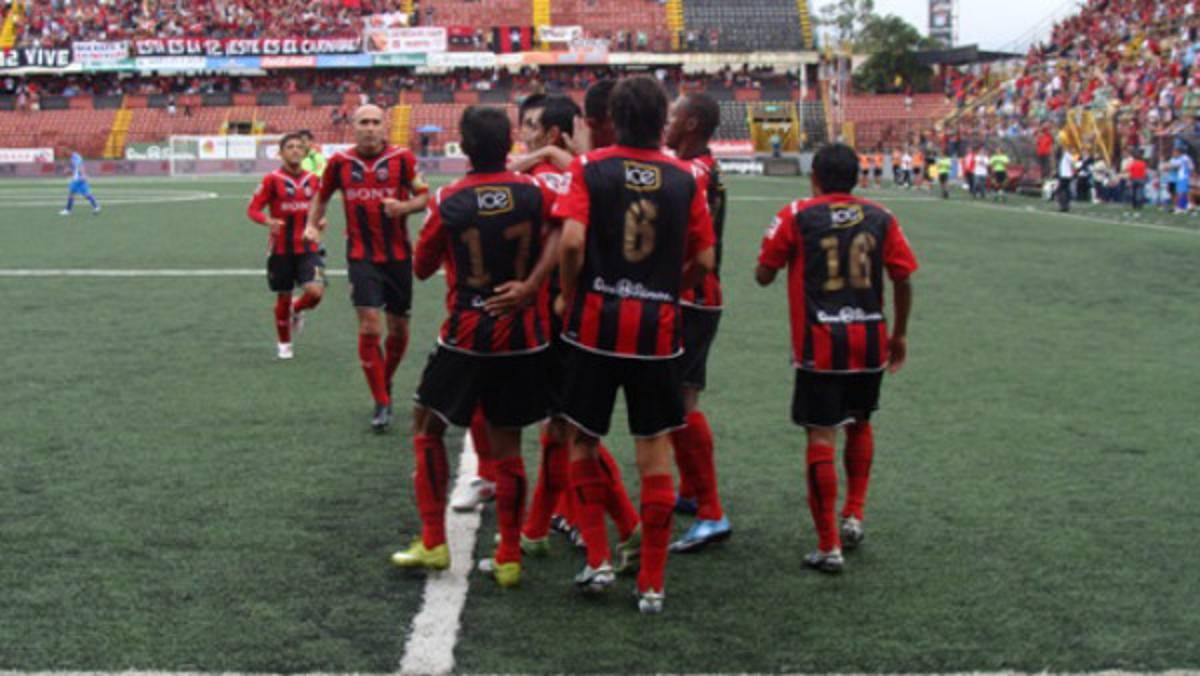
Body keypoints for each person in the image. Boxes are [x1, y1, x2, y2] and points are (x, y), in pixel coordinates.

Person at [553, 75, 715, 614]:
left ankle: (598, 558)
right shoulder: (686, 177)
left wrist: (570, 292)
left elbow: (572, 241)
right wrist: (669, 289)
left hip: (596, 326)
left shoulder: (588, 167)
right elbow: (708, 263)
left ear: (615, 118)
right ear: (659, 118)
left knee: (581, 439)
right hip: (657, 331)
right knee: (654, 451)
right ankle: (651, 582)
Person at [391, 106, 561, 587]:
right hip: (524, 337)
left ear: (463, 147)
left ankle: (433, 541)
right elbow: (562, 235)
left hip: (467, 335)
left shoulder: (449, 200)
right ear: (509, 144)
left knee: (426, 426)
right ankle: (509, 556)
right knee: (509, 445)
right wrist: (530, 285)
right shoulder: (536, 191)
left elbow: (421, 268)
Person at [755, 143, 917, 573]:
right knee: (860, 422)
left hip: (820, 343)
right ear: (857, 178)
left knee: (820, 436)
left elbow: (763, 274)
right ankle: (854, 515)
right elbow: (903, 277)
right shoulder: (882, 217)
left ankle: (829, 545)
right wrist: (898, 333)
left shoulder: (796, 214)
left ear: (814, 177)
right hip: (869, 341)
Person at [507, 90, 644, 568]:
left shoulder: (551, 179)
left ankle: (627, 526)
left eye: (529, 126)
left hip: (559, 318)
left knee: (569, 429)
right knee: (561, 428)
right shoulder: (590, 173)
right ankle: (537, 528)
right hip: (586, 313)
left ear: (552, 134)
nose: (521, 133)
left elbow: (564, 240)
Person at [305, 104, 429, 431]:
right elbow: (321, 196)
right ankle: (382, 401)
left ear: (384, 126)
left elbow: (424, 198)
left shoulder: (402, 158)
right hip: (361, 256)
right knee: (370, 327)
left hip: (399, 256)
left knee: (399, 330)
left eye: (376, 122)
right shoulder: (339, 163)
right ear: (353, 127)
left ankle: (383, 380)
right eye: (364, 122)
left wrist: (403, 206)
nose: (370, 128)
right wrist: (312, 224)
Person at [663, 92, 732, 553]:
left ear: (689, 124)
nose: (665, 124)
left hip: (692, 297)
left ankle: (711, 511)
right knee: (676, 401)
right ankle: (691, 493)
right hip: (694, 296)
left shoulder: (696, 171)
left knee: (681, 403)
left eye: (671, 116)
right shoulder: (701, 167)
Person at [246, 133, 326, 360]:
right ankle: (284, 345)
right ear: (281, 153)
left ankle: (297, 308)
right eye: (289, 147)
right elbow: (253, 209)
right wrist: (268, 221)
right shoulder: (271, 180)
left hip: (308, 248)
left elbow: (318, 206)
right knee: (282, 296)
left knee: (315, 293)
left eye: (299, 147)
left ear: (305, 152)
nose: (295, 151)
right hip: (281, 249)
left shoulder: (313, 179)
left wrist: (320, 220)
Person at [60, 152, 100, 216]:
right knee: (84, 195)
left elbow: (81, 169)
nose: (71, 160)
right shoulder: (76, 163)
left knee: (78, 194)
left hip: (78, 181)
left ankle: (67, 210)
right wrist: (69, 171)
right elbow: (75, 170)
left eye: (72, 159)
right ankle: (96, 207)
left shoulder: (77, 161)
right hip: (78, 180)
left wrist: (83, 175)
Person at [1057, 148, 1076, 212]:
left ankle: (1064, 206)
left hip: (1065, 176)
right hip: (1065, 176)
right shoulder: (1066, 156)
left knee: (1061, 190)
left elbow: (1073, 162)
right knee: (1065, 190)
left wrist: (1074, 169)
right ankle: (1065, 205)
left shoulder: (1067, 155)